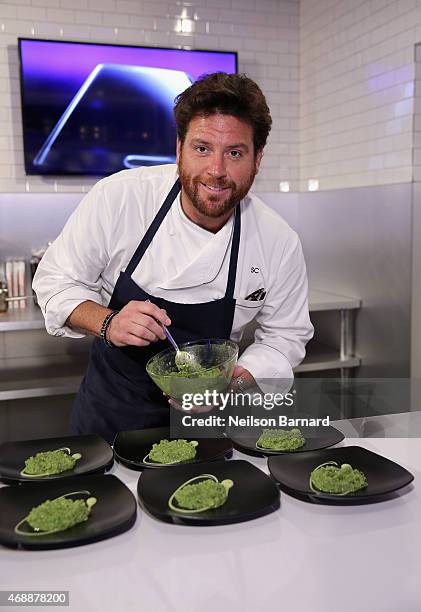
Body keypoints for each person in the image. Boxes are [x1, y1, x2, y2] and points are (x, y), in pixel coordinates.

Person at [33, 72, 314, 443]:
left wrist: (229, 384)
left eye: (234, 153)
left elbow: (285, 337)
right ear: (179, 148)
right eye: (202, 148)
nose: (216, 170)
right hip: (111, 416)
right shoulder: (120, 198)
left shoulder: (278, 241)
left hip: (208, 421)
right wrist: (108, 322)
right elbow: (55, 282)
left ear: (257, 158)